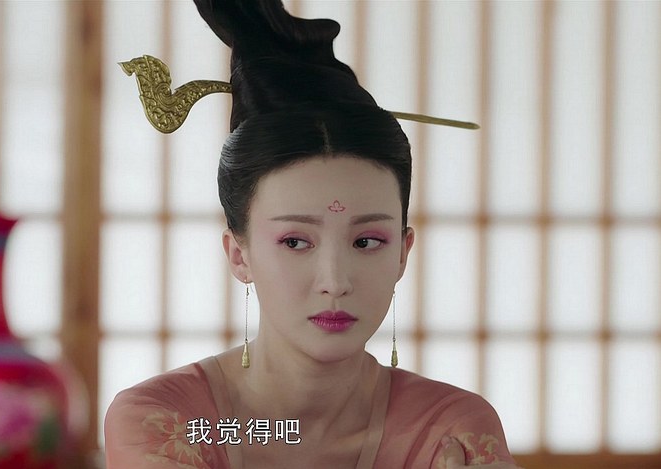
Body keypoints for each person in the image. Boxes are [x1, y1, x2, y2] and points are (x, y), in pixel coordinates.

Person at [106, 1, 520, 468]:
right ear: (239, 254)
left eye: (367, 242)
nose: (335, 281)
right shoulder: (166, 420)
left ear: (403, 253)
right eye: (295, 242)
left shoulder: (453, 429)